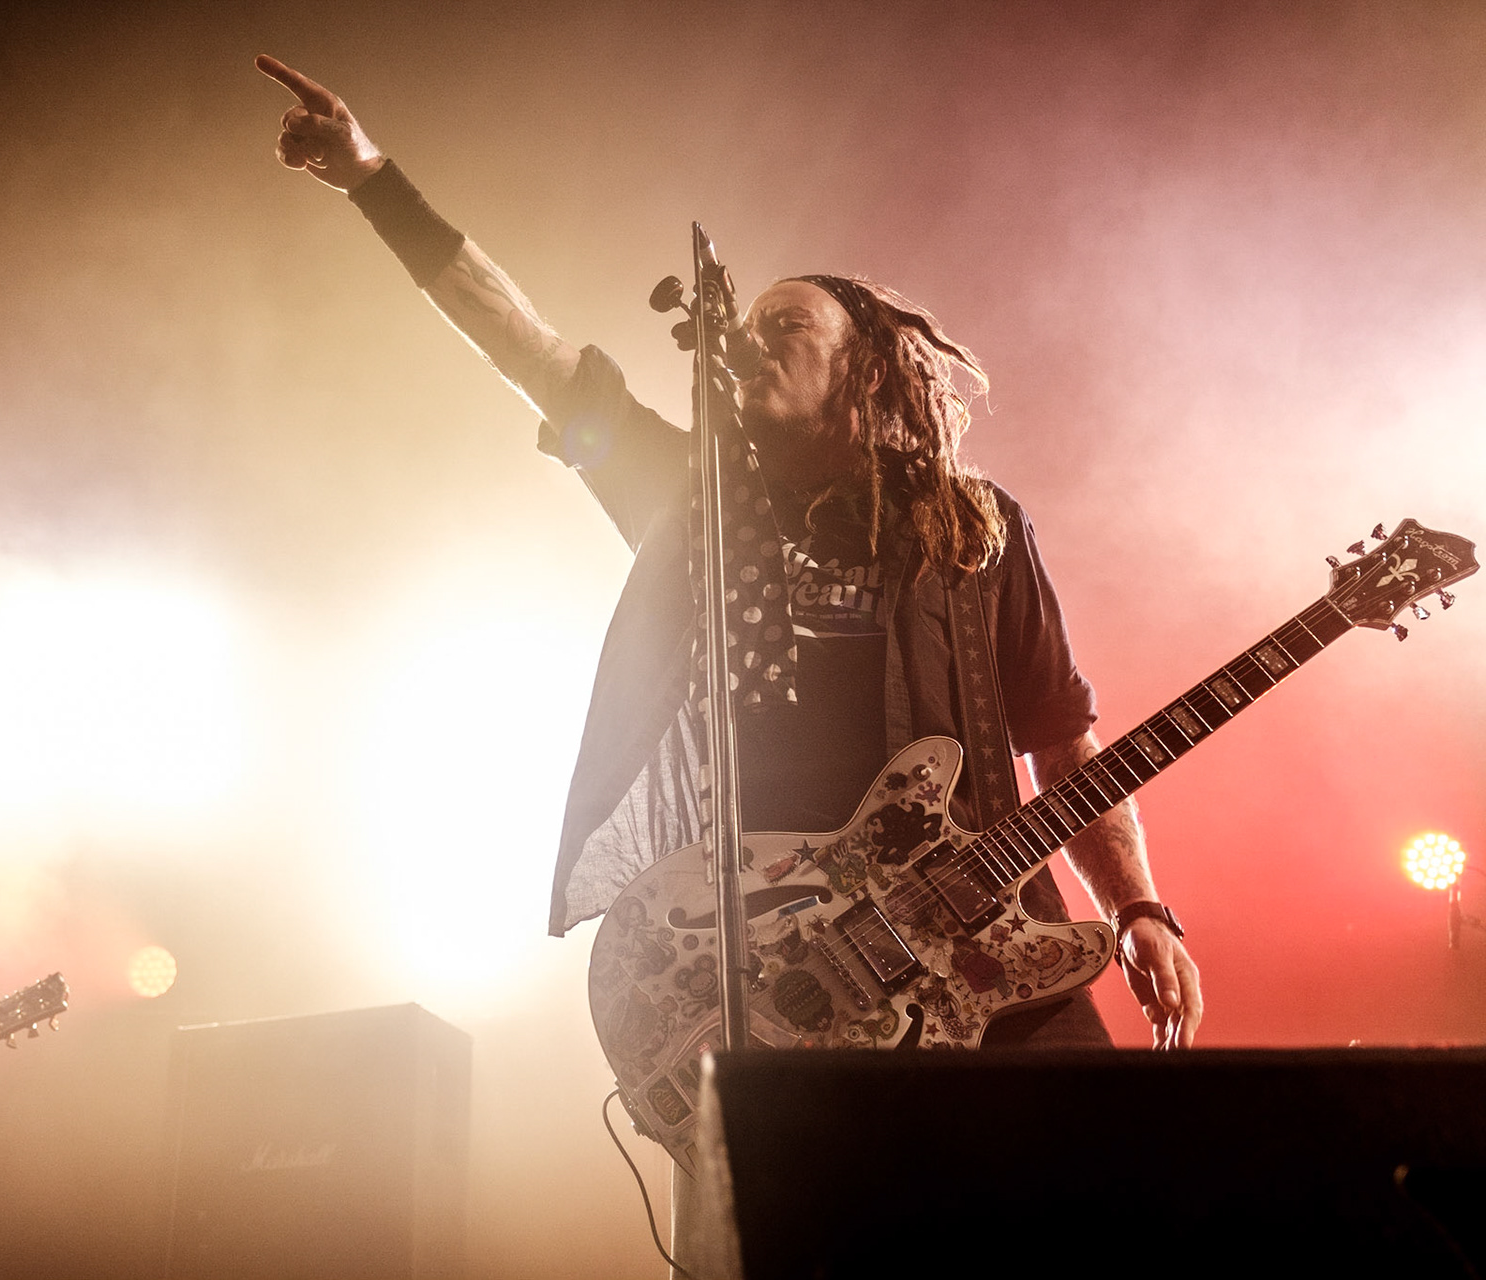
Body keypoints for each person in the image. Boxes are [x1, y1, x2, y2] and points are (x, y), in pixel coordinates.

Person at [256, 53, 1203, 1268]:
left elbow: (1063, 735)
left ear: (866, 363)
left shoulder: (977, 528)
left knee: (1107, 1203)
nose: (755, 344)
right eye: (745, 328)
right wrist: (371, 180)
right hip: (789, 954)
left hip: (989, 932)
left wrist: (1137, 906)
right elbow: (537, 354)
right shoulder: (688, 500)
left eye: (789, 326)